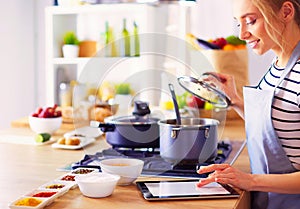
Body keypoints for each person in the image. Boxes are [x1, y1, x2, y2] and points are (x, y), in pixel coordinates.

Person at [196, 0, 300, 208]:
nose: (243, 34)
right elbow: (281, 125)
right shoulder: (277, 64)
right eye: (238, 24)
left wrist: (249, 180)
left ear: (286, 12)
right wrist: (234, 100)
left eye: (251, 21)